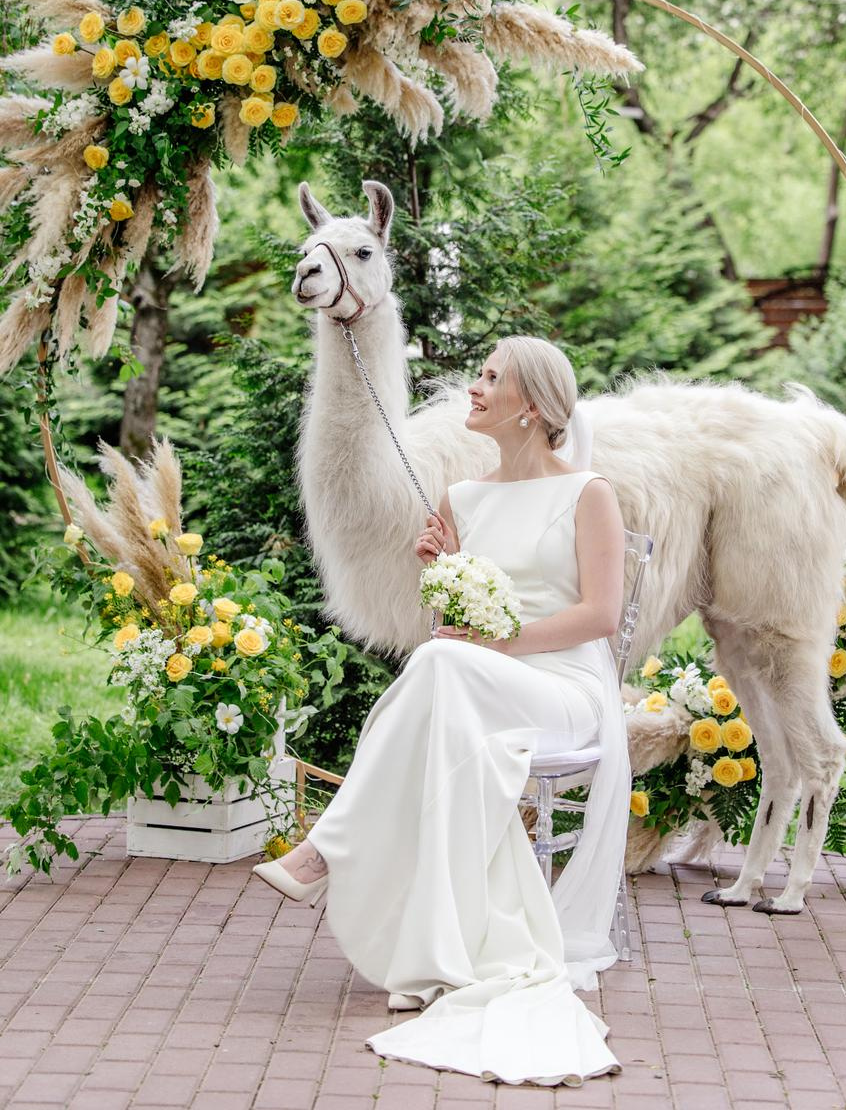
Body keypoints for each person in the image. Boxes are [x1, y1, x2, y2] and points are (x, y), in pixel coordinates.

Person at [252, 335, 630, 1086]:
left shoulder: (590, 494)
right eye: (479, 375)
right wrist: (444, 575)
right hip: (474, 681)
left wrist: (503, 636)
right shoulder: (462, 499)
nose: (475, 387)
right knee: (439, 667)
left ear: (533, 407)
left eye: (492, 378)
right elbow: (448, 632)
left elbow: (602, 615)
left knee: (441, 667)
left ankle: (329, 843)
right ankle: (433, 942)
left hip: (563, 691)